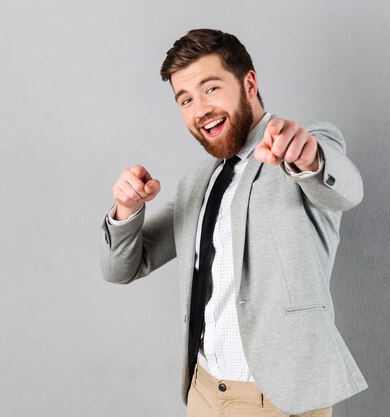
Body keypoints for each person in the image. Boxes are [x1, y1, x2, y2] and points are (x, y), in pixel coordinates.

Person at [99, 28, 367, 417]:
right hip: (204, 392)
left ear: (249, 83)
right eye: (186, 99)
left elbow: (347, 189)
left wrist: (309, 158)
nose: (199, 109)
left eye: (211, 89)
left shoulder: (304, 145)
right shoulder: (196, 183)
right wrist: (125, 210)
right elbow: (121, 268)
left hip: (278, 399)